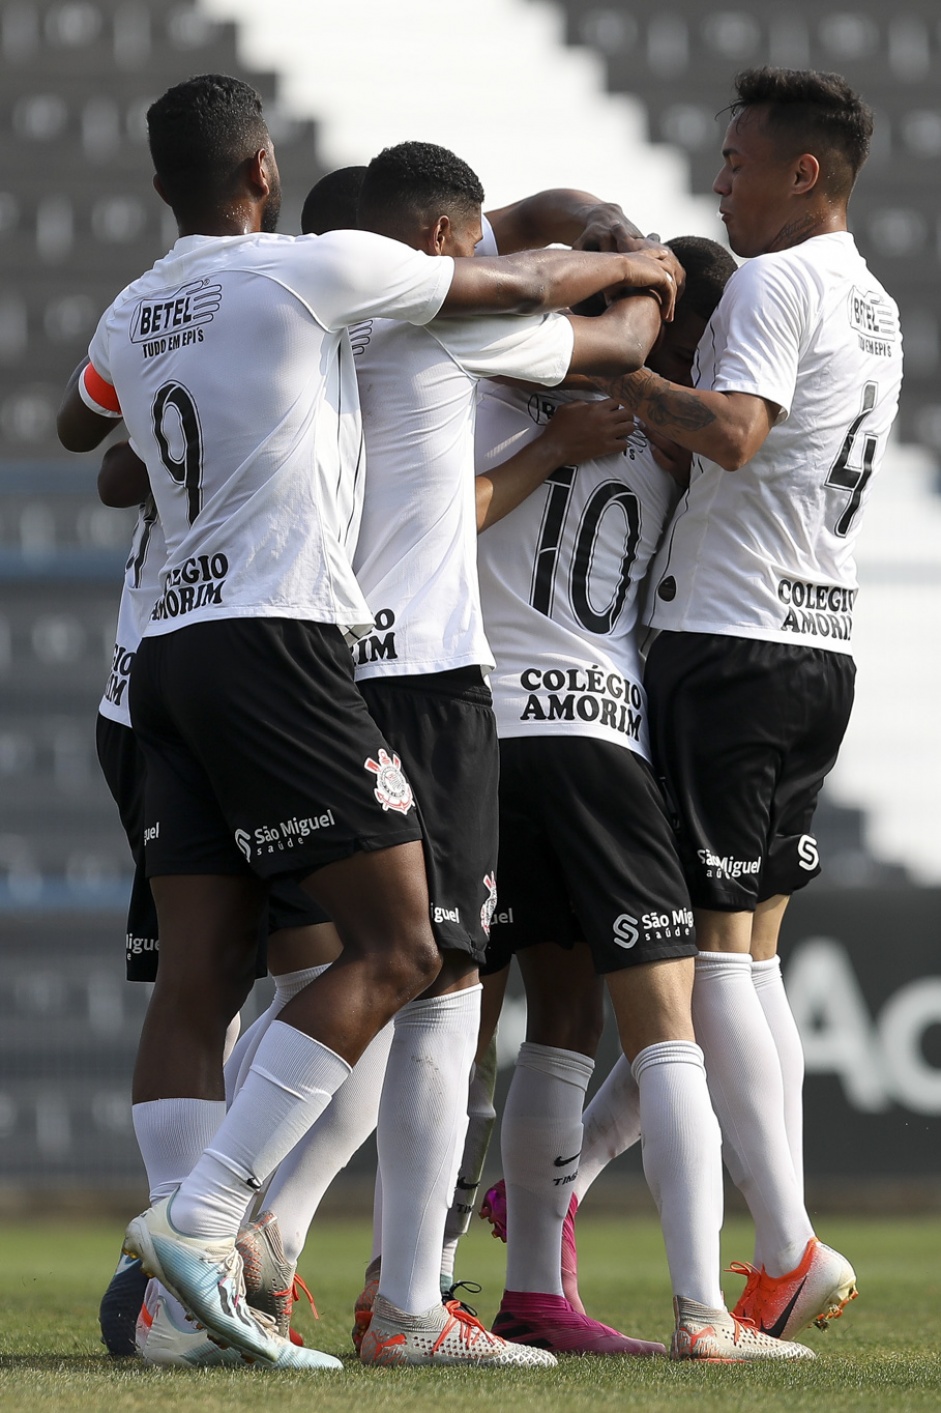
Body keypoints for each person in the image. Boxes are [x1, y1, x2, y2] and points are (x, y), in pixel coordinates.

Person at [56, 73, 677, 1371]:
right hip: (348, 661)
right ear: (265, 174)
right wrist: (639, 266)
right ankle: (294, 1259)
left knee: (234, 974)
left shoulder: (179, 304)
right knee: (421, 967)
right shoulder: (355, 293)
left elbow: (98, 443)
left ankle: (223, 1282)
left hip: (157, 662)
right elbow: (589, 331)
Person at [471, 237, 818, 1363]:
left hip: (484, 733)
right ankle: (703, 1313)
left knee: (546, 1022)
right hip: (597, 738)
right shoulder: (673, 456)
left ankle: (518, 1293)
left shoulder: (488, 393)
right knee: (664, 1032)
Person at [600, 66, 902, 1342]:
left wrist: (615, 371)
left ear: (802, 173)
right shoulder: (872, 300)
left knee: (711, 950)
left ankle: (780, 1247)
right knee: (754, 956)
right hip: (817, 641)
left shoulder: (779, 280)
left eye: (735, 160)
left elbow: (729, 432)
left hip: (727, 640)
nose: (717, 177)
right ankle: (781, 1243)